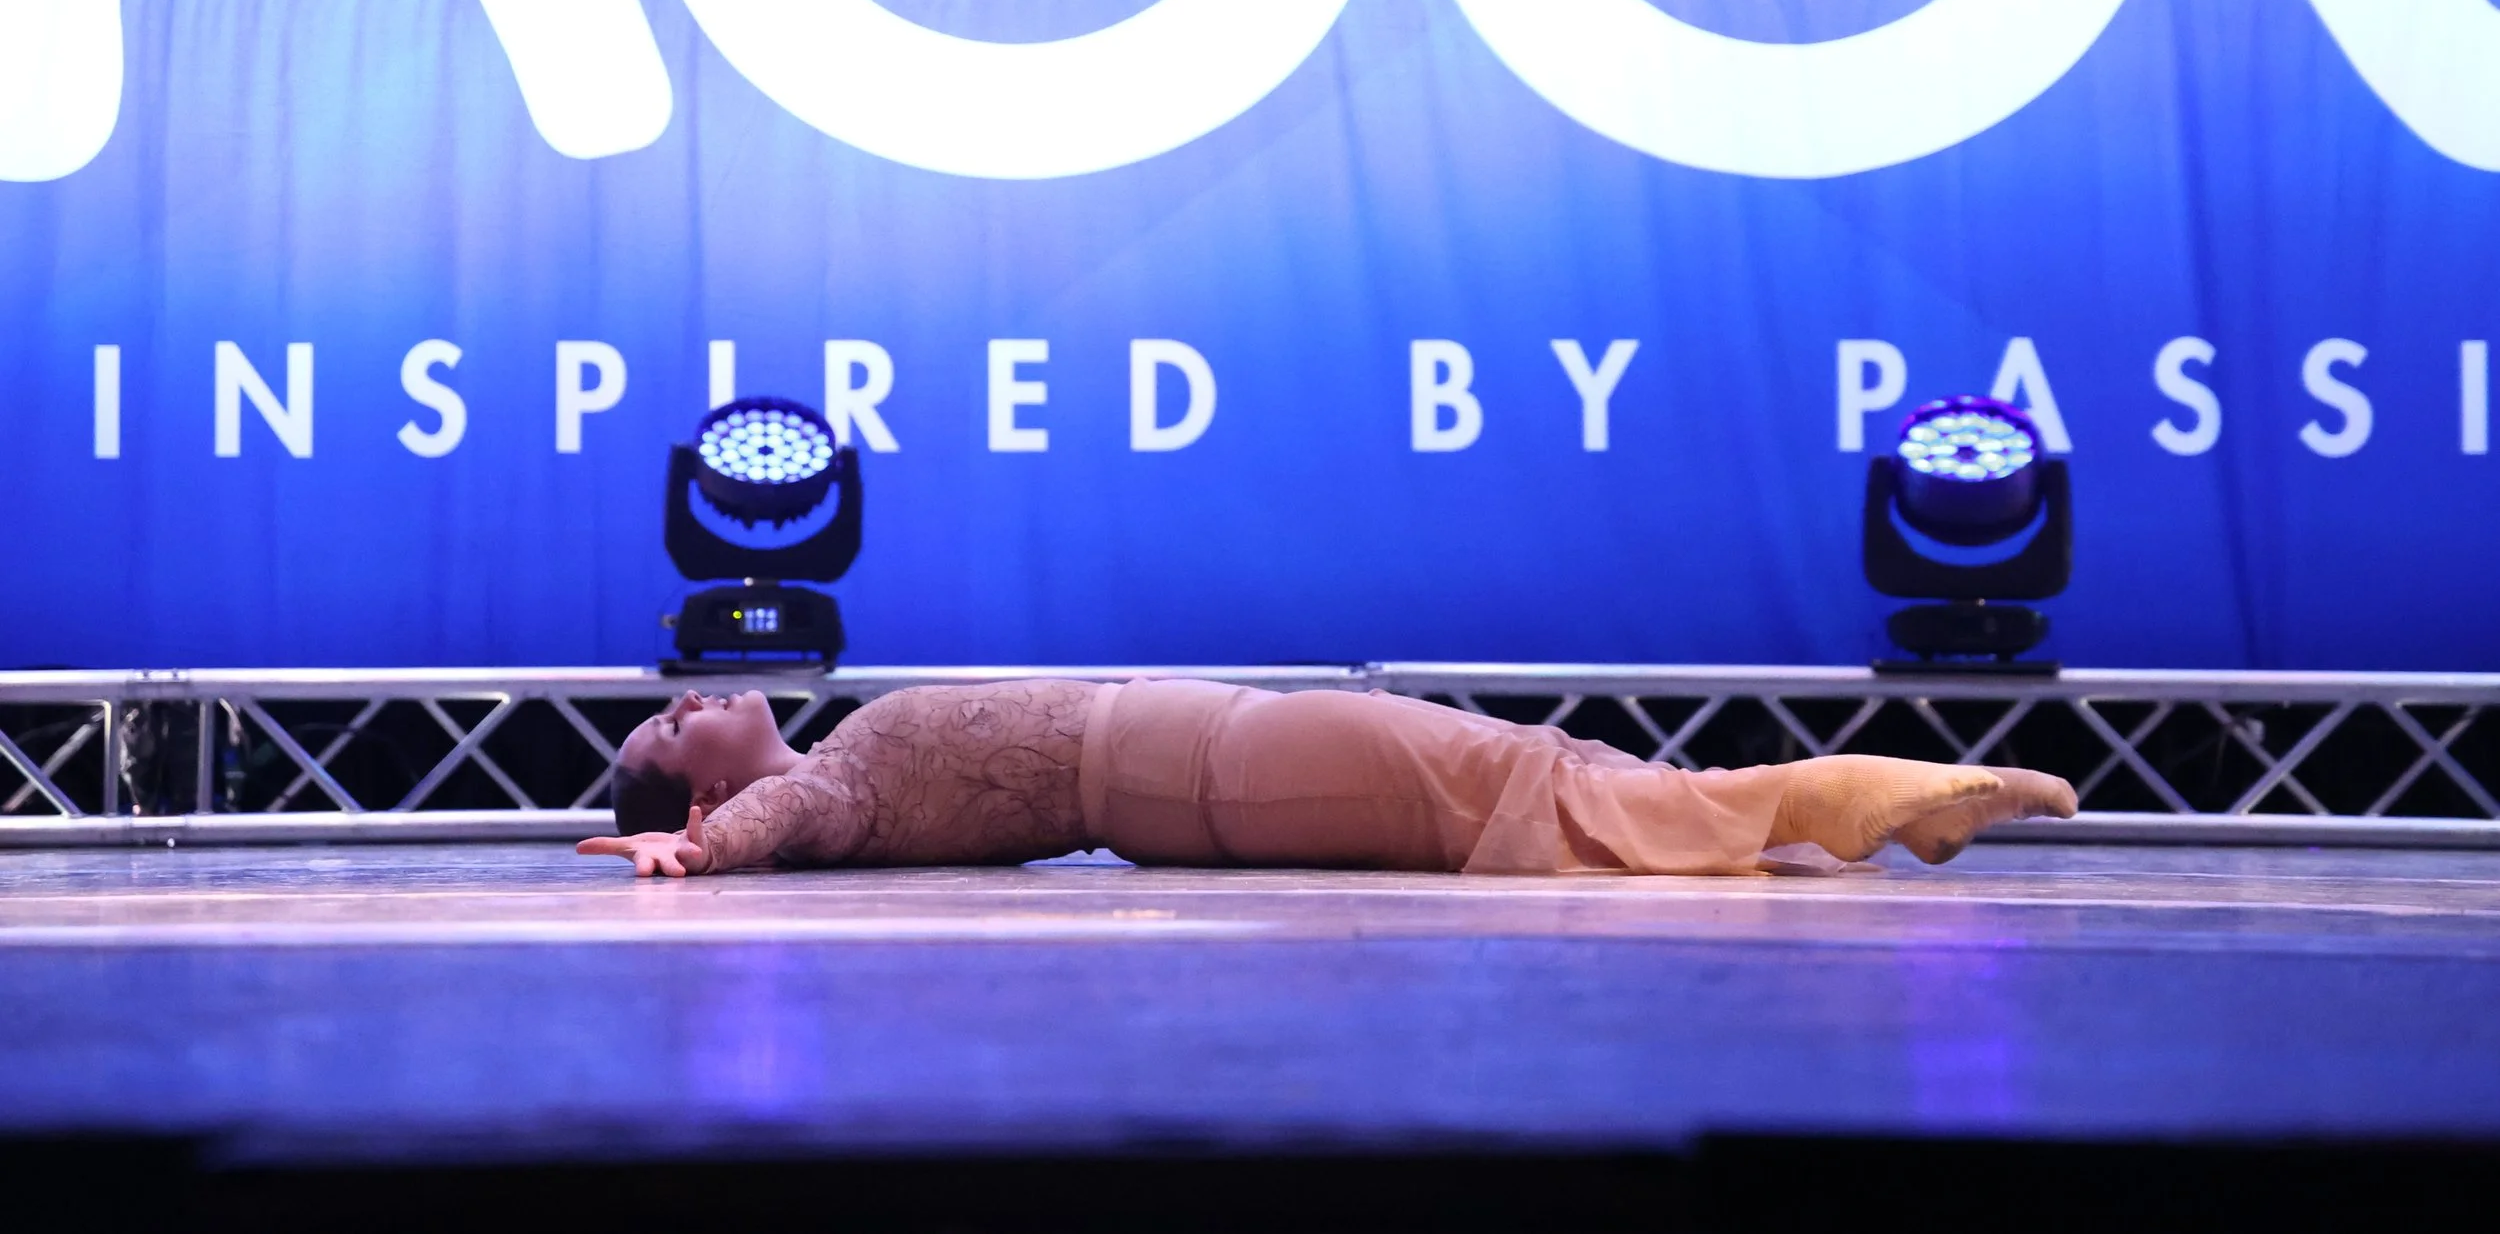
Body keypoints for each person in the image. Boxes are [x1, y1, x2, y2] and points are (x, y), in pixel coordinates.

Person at [577, 679, 2076, 878]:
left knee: (1539, 765)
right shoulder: (830, 789)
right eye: (667, 734)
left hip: (1212, 753)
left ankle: (1813, 816)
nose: (684, 703)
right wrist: (691, 858)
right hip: (1200, 770)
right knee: (1499, 776)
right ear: (700, 795)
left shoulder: (848, 746)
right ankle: (1834, 798)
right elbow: (788, 815)